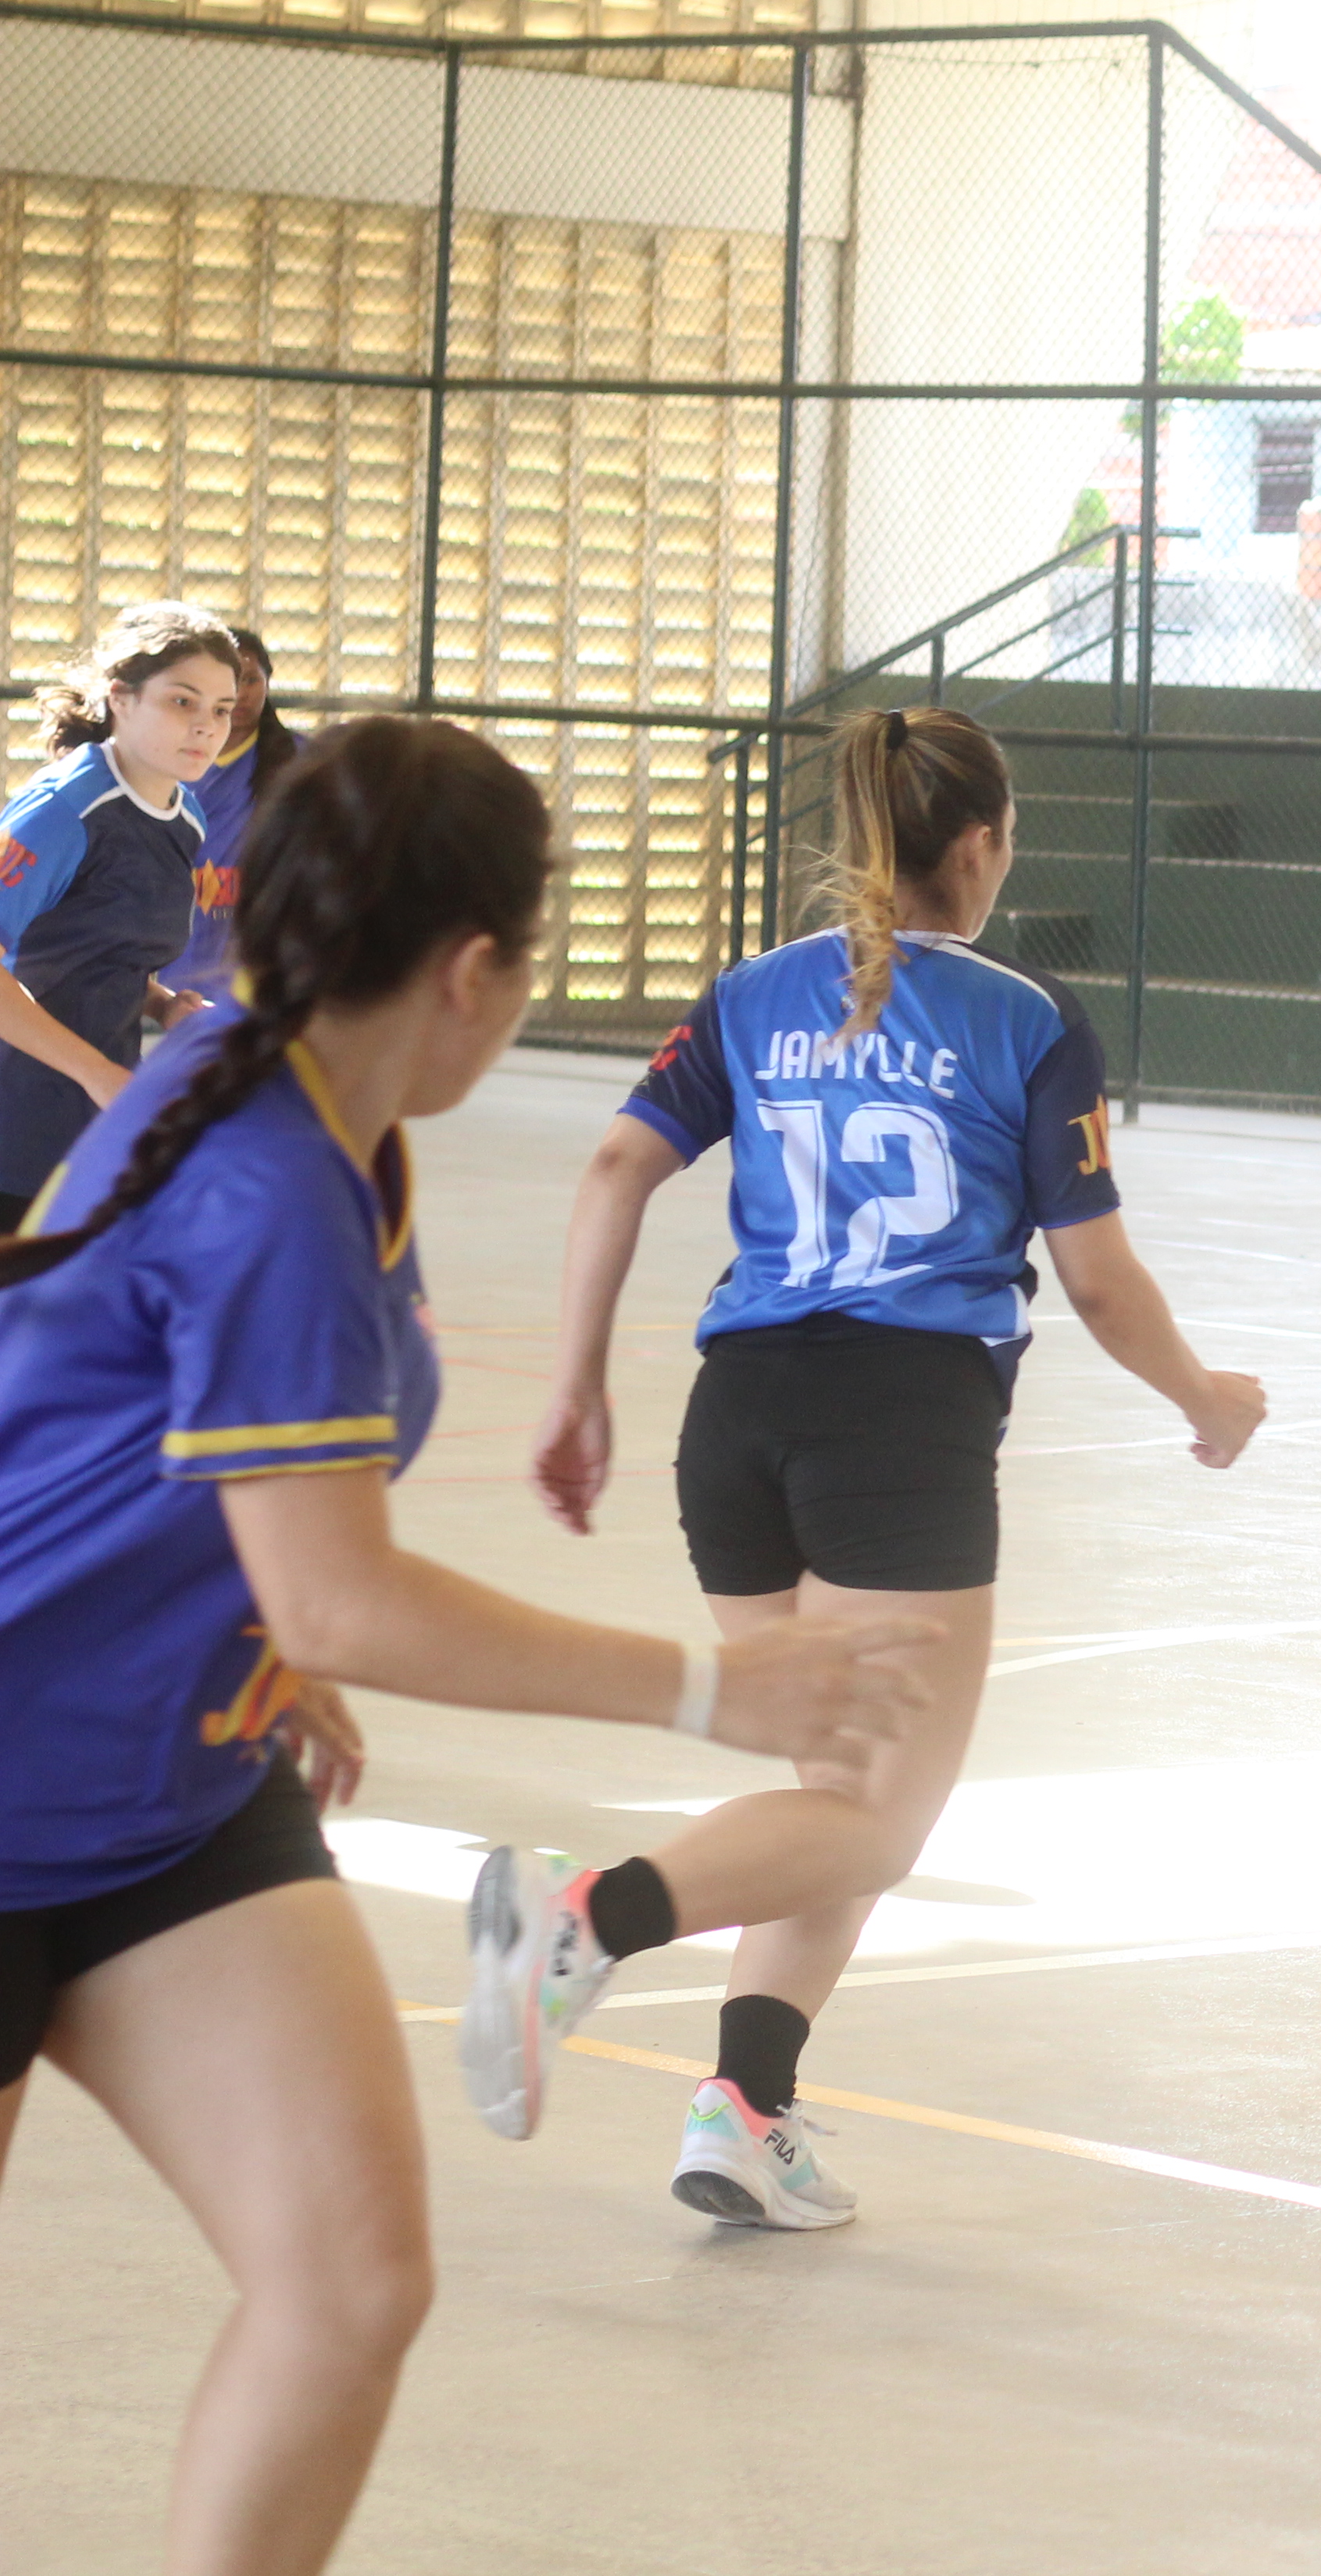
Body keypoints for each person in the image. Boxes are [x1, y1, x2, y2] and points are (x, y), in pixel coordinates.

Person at [0, 717, 931, 2576]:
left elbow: (131, 1443)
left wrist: (239, 1613)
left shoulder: (301, 1107)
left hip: (167, 1795)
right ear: (472, 967)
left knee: (346, 2279)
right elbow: (336, 1581)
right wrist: (706, 1684)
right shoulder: (261, 1168)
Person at [505, 705, 1265, 2228]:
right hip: (899, 1427)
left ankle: (745, 2107)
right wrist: (1206, 1395)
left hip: (739, 1422)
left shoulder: (753, 995)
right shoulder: (1026, 1020)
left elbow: (616, 1165)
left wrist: (578, 1384)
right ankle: (583, 1917)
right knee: (880, 1821)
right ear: (981, 848)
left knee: (833, 1791)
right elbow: (1100, 1281)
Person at [1, 606, 238, 1219]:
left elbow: (99, 954)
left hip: (90, 1123)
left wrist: (162, 1004)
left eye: (221, 709)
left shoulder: (185, 815)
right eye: (182, 702)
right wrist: (97, 1073)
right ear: (121, 698)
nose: (206, 726)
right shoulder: (61, 812)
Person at [162, 619, 296, 1013]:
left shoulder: (303, 764)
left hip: (257, 958)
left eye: (251, 680)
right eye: (228, 683)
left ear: (269, 683)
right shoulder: (157, 760)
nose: (238, 695)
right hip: (169, 970)